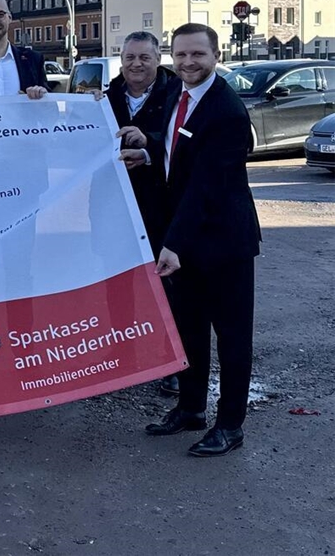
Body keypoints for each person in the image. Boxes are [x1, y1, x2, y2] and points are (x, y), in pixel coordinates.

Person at [131, 24, 260, 457]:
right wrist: (147, 149)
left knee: (232, 337)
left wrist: (174, 243)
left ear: (216, 54)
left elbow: (207, 185)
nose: (188, 63)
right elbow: (175, 151)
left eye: (197, 55)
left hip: (223, 243)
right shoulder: (176, 94)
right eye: (180, 54)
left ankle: (230, 425)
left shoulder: (226, 110)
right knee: (188, 331)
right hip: (184, 238)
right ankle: (190, 408)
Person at [104, 31, 181, 396]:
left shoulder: (178, 93)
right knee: (118, 284)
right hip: (111, 205)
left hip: (162, 204)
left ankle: (173, 360)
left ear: (158, 59)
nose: (136, 64)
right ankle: (124, 355)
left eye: (144, 58)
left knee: (168, 284)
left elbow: (186, 141)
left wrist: (147, 139)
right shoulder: (104, 97)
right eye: (130, 57)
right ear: (121, 60)